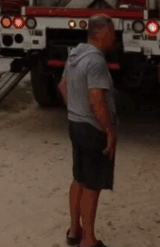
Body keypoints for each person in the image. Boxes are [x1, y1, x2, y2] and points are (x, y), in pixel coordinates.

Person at [57, 14, 118, 247]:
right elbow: (96, 98)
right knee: (93, 184)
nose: (114, 38)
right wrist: (108, 130)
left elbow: (63, 86)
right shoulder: (96, 61)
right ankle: (89, 240)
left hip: (76, 123)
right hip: (93, 128)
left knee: (79, 178)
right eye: (112, 33)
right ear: (101, 33)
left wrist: (74, 109)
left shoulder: (75, 54)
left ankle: (74, 230)